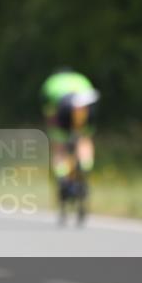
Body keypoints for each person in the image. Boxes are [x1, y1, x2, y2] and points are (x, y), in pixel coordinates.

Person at [40, 68, 100, 203]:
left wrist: (52, 127)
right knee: (84, 140)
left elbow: (47, 110)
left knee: (59, 147)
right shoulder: (81, 78)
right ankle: (85, 166)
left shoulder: (51, 82)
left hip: (63, 108)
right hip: (85, 109)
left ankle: (62, 176)